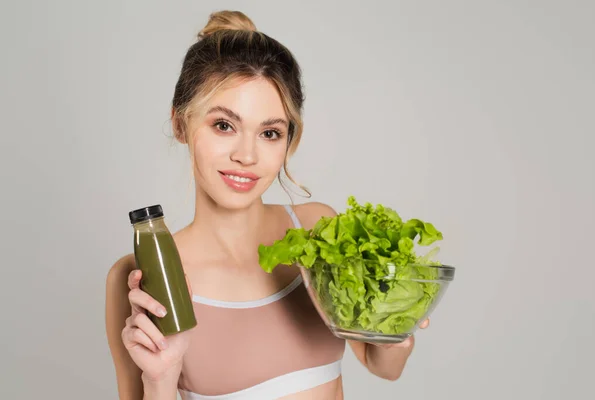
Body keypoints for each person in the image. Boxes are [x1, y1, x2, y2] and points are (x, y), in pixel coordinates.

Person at [105, 10, 429, 400]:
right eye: (224, 125)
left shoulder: (317, 230)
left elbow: (382, 365)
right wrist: (160, 377)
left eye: (270, 133)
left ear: (289, 140)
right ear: (180, 124)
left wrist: (396, 332)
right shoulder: (143, 275)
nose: (247, 155)